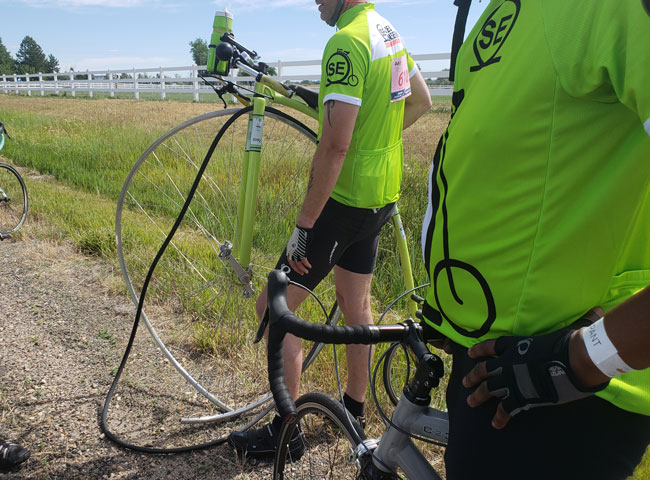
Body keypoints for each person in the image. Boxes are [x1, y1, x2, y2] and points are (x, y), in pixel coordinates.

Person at [420, 0, 650, 479]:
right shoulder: (497, 13)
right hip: (496, 364)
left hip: (569, 388)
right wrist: (452, 314)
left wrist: (586, 357)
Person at [228, 0, 432, 460]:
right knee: (354, 303)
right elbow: (422, 101)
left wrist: (304, 225)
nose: (314, 1)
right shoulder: (387, 32)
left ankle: (287, 432)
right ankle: (353, 413)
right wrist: (377, 142)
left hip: (341, 204)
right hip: (381, 198)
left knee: (274, 307)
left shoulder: (346, 42)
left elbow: (336, 146)